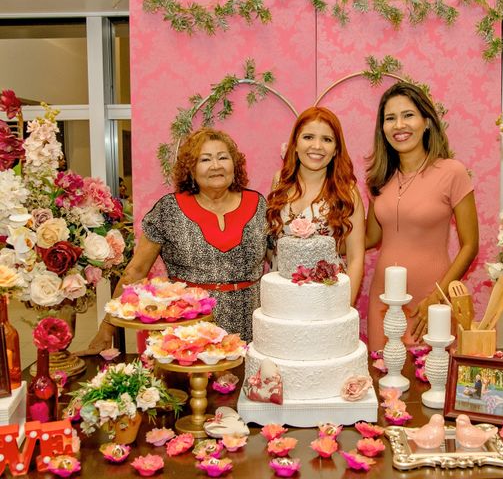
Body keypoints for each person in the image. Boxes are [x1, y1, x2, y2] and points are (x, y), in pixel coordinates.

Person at [77, 128, 267, 354]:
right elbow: (135, 271)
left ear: (234, 165)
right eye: (205, 159)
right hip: (189, 329)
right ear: (191, 170)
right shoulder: (169, 210)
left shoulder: (259, 205)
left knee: (252, 387)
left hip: (252, 328)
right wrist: (106, 328)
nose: (216, 165)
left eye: (223, 157)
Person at [365, 82, 479, 351]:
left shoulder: (452, 172)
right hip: (383, 303)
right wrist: (316, 239)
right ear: (382, 129)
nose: (399, 125)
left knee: (431, 384)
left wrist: (437, 298)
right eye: (390, 118)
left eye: (408, 115)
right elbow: (370, 237)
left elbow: (471, 245)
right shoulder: (378, 179)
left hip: (432, 302)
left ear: (426, 122)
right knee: (384, 382)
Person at [267, 106, 364, 304]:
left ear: (336, 149)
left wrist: (345, 307)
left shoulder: (346, 191)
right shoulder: (280, 182)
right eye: (308, 137)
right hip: (282, 297)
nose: (317, 146)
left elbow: (355, 257)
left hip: (326, 298)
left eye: (327, 140)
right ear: (294, 143)